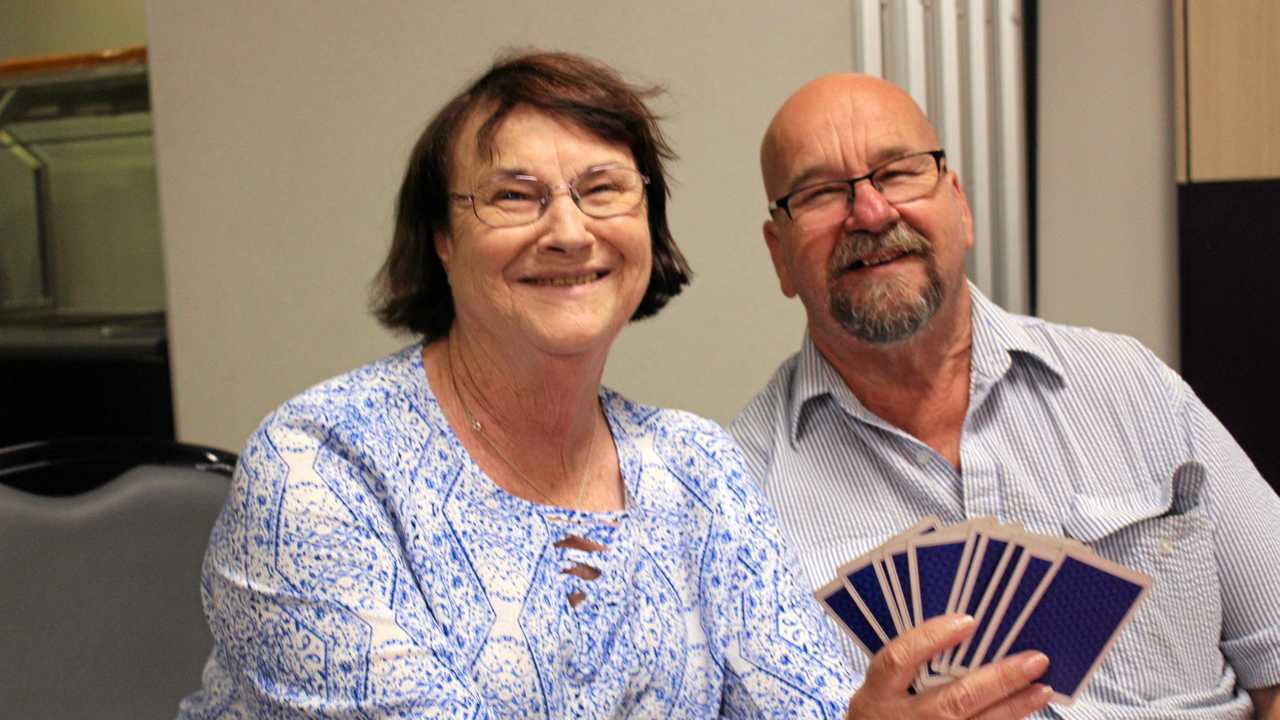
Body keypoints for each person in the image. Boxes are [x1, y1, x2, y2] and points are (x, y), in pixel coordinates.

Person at [177, 51, 1047, 720]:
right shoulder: (319, 468)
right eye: (515, 196)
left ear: (646, 229)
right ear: (441, 238)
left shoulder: (695, 467)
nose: (568, 231)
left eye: (603, 190)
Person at [731, 71, 1280, 718]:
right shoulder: (737, 495)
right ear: (778, 254)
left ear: (958, 206)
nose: (872, 213)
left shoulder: (1133, 389)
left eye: (900, 171)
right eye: (821, 192)